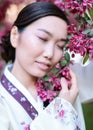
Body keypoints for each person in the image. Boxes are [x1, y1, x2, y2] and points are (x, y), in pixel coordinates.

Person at [0, 1, 84, 130]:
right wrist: (61, 109)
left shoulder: (64, 91)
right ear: (15, 35)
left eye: (60, 46)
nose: (50, 54)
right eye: (42, 38)